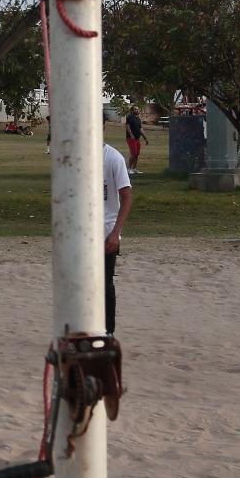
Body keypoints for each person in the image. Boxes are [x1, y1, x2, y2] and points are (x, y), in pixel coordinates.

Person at [102, 143, 132, 335]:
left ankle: (108, 331)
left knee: (105, 283)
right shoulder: (75, 154)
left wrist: (115, 233)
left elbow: (127, 197)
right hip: (81, 234)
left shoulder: (113, 158)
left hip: (105, 232)